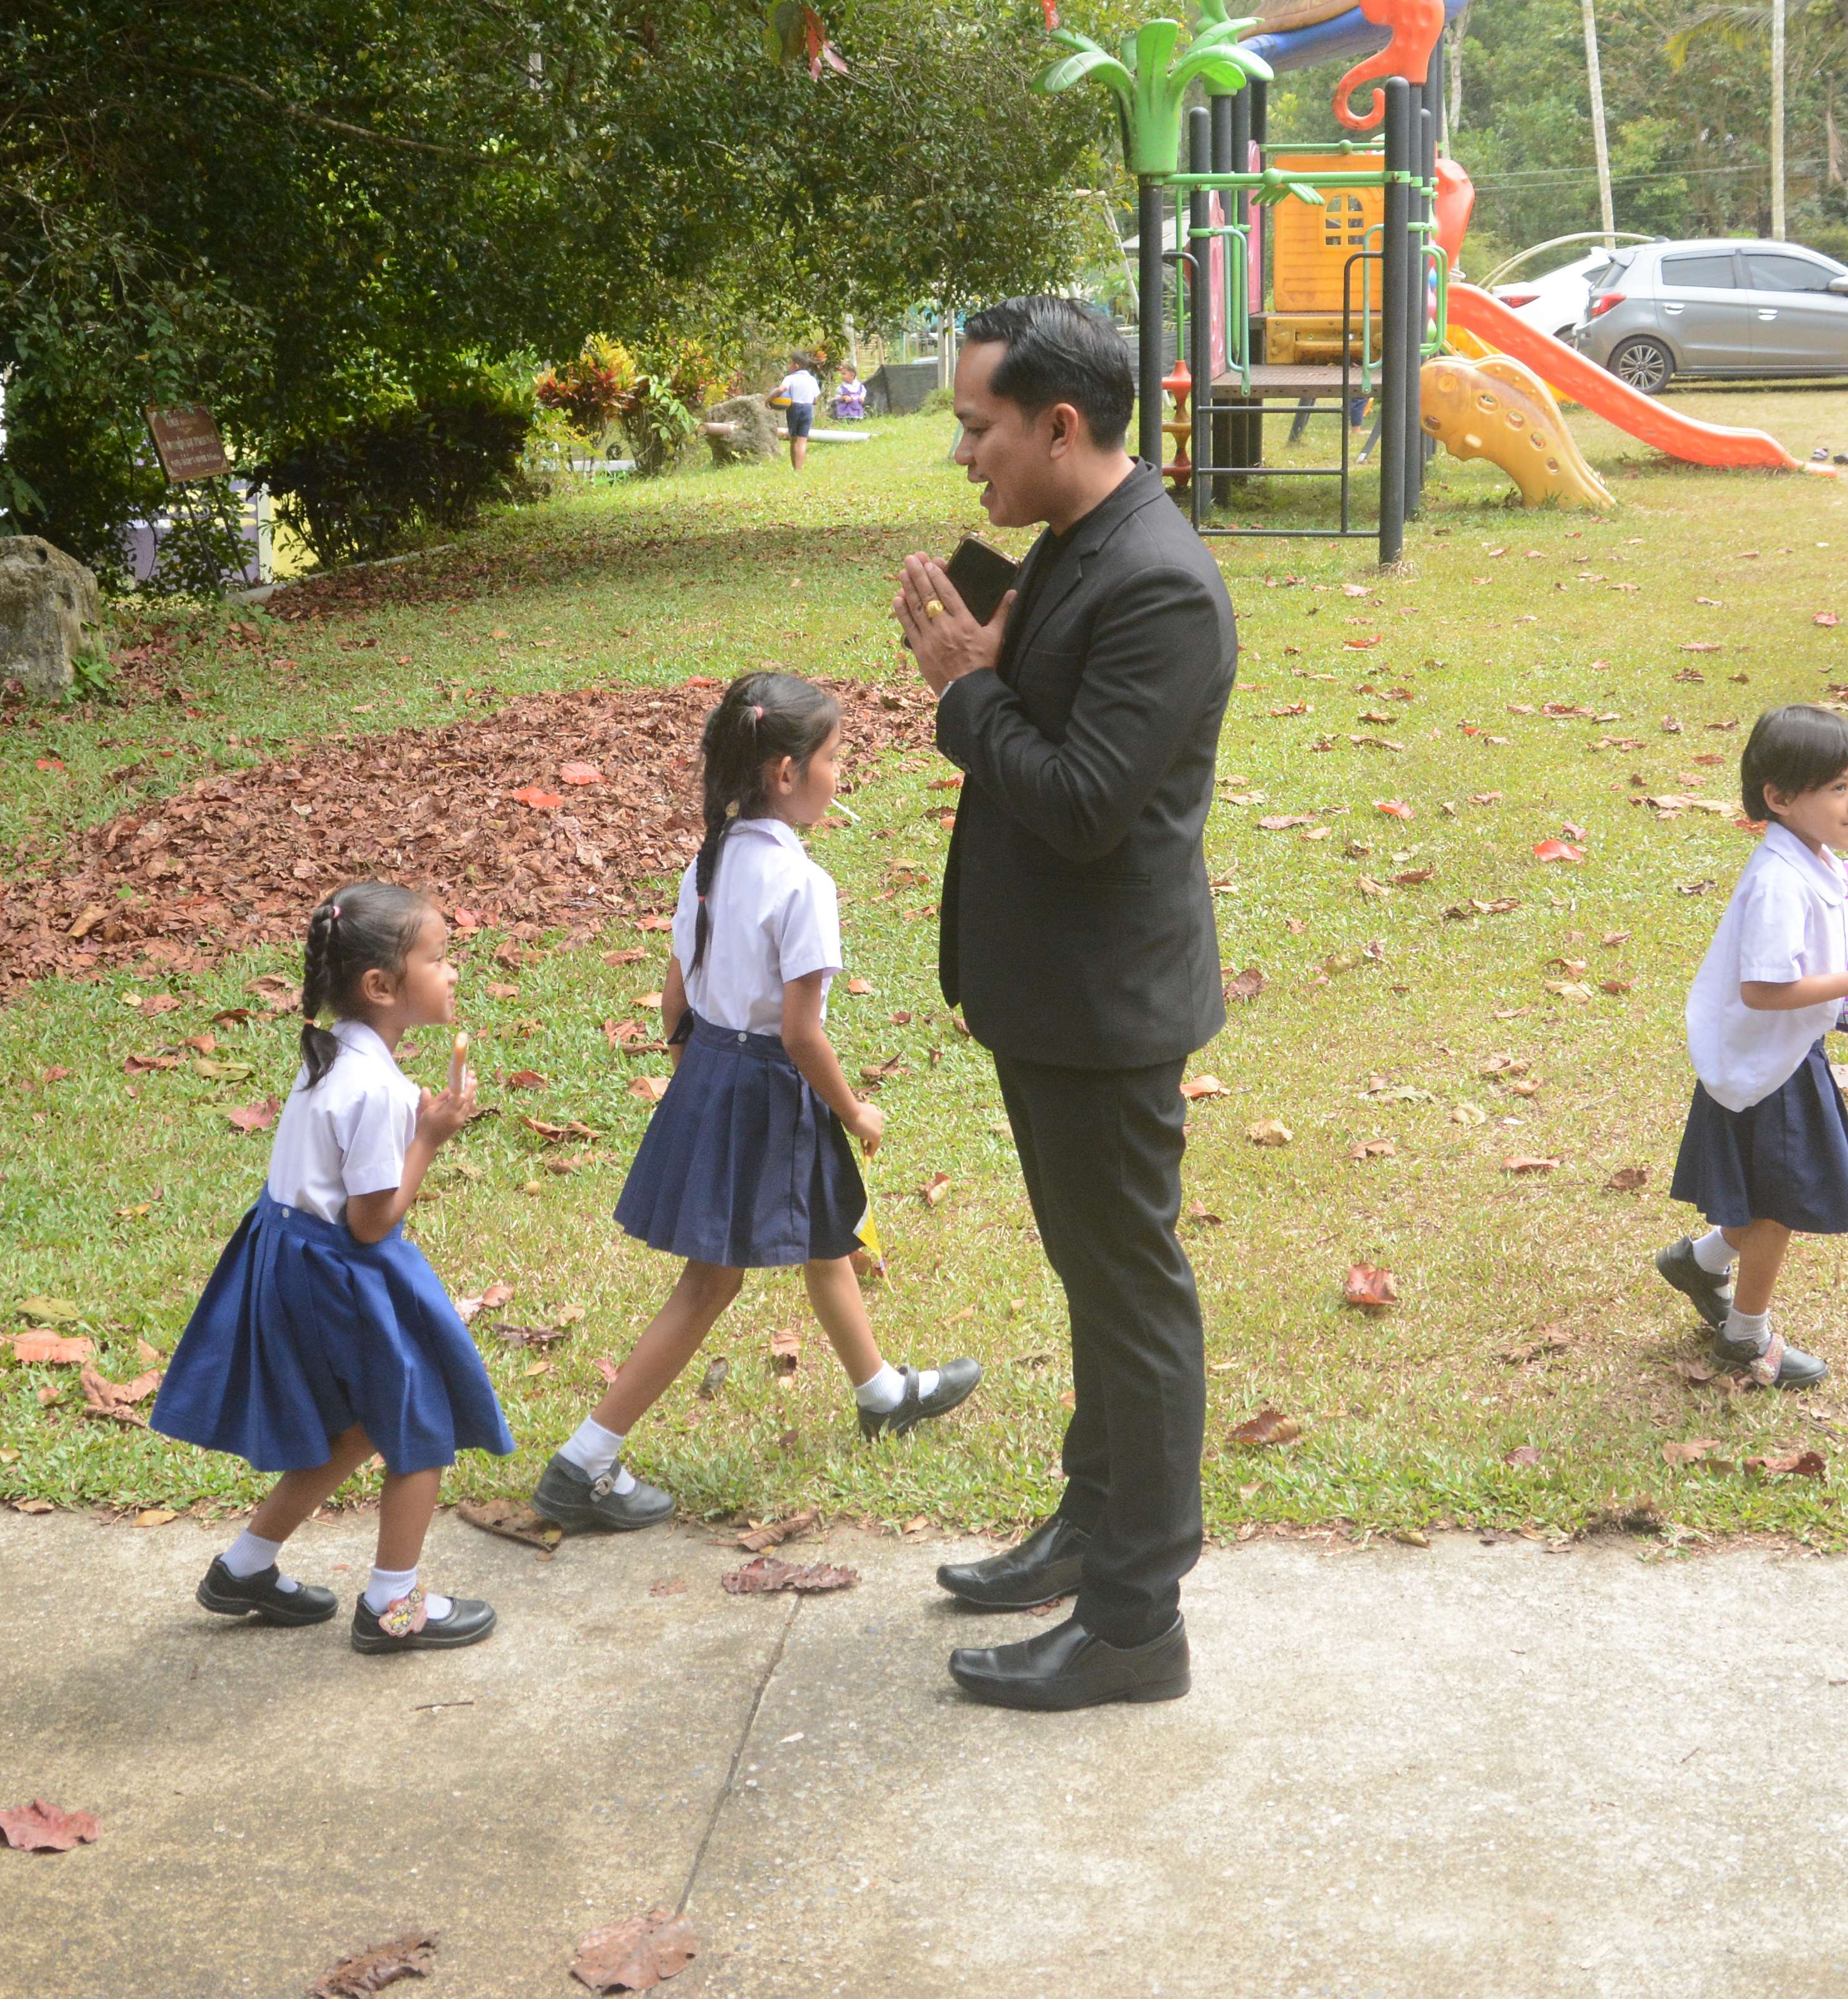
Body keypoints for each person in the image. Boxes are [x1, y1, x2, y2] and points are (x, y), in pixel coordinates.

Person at [891, 294, 1236, 1711]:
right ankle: (1092, 1525)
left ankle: (1136, 1620)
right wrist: (991, 659)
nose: (964, 453)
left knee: (1132, 1301)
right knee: (1099, 1287)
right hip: (1052, 995)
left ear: (1062, 425)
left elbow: (1087, 803)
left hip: (1106, 1006)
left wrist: (964, 693)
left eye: (979, 426)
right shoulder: (1076, 544)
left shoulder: (1157, 583)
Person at [536, 674, 981, 1535]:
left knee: (826, 1231)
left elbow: (675, 997)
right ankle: (582, 1462)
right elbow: (804, 1034)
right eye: (835, 757)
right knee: (711, 1282)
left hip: (712, 1071)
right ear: (785, 772)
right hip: (769, 1084)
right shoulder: (803, 885)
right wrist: (856, 1111)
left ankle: (881, 1393)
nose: (841, 775)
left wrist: (696, 1080)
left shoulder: (707, 864)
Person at [154, 882, 512, 1653]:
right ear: (381, 985)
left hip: (290, 1255)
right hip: (340, 1272)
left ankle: (244, 1568)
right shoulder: (377, 1089)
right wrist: (430, 1136)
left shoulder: (334, 1052)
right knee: (421, 1422)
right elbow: (372, 1221)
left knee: (356, 1428)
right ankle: (393, 1607)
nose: (452, 971)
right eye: (438, 959)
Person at [1649, 705, 1848, 1389]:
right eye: (1838, 788)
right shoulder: (1776, 881)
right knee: (1777, 1207)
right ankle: (1744, 1337)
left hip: (1787, 1057)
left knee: (1770, 1195)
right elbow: (1763, 988)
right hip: (1768, 1068)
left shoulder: (1814, 859)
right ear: (1780, 797)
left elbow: (1799, 956)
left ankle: (1698, 1263)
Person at [774, 353, 823, 470]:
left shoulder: (790, 378)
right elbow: (815, 400)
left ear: (796, 366)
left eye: (789, 363)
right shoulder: (812, 379)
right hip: (807, 409)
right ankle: (799, 469)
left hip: (794, 408)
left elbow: (781, 390)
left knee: (793, 440)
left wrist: (769, 399)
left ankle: (795, 467)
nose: (788, 366)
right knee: (802, 440)